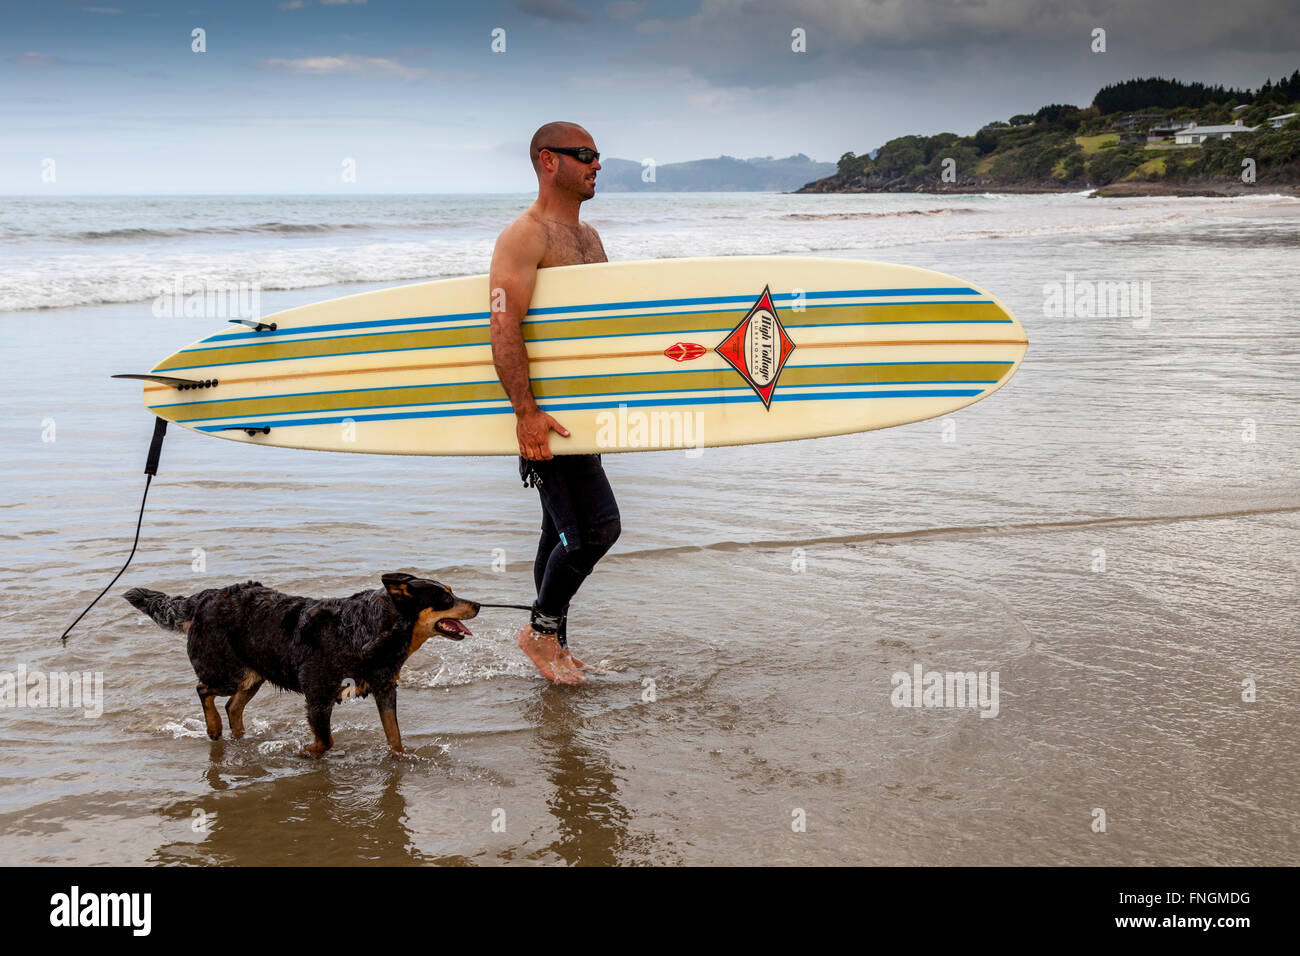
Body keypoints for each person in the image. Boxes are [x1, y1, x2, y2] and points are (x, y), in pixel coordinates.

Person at [488, 121, 621, 685]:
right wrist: (526, 413)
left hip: (581, 415)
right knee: (595, 531)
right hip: (544, 415)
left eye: (598, 156)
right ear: (549, 160)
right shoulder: (525, 236)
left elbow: (596, 330)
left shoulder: (589, 238)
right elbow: (502, 323)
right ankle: (539, 633)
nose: (596, 165)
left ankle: (555, 645)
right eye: (585, 154)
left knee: (559, 534)